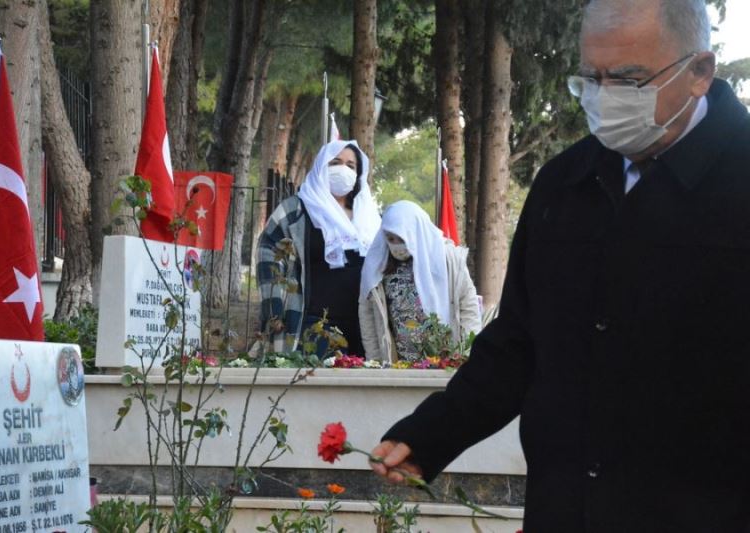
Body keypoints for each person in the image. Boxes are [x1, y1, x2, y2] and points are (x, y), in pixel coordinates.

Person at [371, 1, 750, 531]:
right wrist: (432, 433)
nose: (605, 96)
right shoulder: (563, 185)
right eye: (590, 78)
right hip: (567, 511)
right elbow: (520, 341)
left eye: (628, 79)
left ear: (699, 74)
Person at [257, 140, 380, 356]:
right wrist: (274, 310)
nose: (343, 169)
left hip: (364, 326)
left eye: (350, 166)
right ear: (322, 166)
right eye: (336, 162)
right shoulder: (296, 210)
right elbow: (268, 252)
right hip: (313, 324)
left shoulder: (370, 217)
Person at [358, 201, 481, 363]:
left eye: (401, 238)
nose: (396, 245)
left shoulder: (448, 259)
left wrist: (466, 354)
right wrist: (375, 360)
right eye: (390, 238)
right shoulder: (377, 264)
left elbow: (468, 306)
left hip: (446, 360)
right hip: (398, 363)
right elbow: (367, 315)